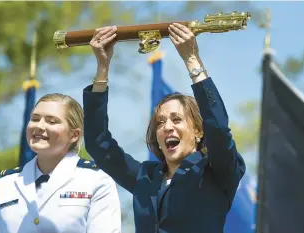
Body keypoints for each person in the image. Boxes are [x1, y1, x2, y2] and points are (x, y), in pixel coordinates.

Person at [83, 24, 246, 233]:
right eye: (160, 123)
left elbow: (219, 128)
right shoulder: (146, 177)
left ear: (198, 131)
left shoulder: (217, 172)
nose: (167, 127)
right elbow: (98, 143)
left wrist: (191, 59)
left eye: (176, 119)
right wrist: (102, 67)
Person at [0, 93, 121, 233]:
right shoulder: (4, 184)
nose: (40, 126)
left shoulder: (97, 180)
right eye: (35, 119)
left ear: (74, 135)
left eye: (52, 121)